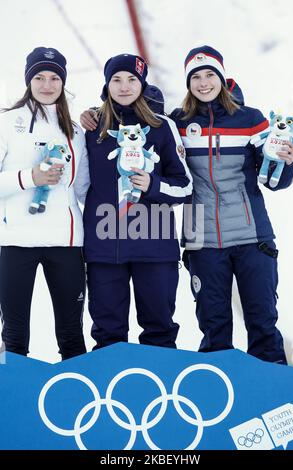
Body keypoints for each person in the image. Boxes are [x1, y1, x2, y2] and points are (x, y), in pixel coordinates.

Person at [170, 45, 293, 364]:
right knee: (214, 328)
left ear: (222, 77)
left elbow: (273, 181)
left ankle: (275, 401)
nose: (203, 83)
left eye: (209, 74)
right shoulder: (178, 123)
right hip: (201, 240)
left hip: (252, 238)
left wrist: (291, 160)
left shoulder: (251, 120)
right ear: (188, 83)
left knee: (263, 323)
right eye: (195, 77)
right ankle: (221, 403)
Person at [76, 53, 192, 349]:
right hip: (104, 246)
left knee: (160, 331)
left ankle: (162, 392)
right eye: (117, 80)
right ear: (107, 84)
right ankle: (109, 393)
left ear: (142, 85)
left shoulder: (162, 127)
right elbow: (79, 184)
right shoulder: (92, 128)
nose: (124, 87)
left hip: (153, 244)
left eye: (131, 80)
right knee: (107, 334)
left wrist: (153, 185)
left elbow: (185, 186)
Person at [0, 47, 88, 360]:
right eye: (39, 77)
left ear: (63, 82)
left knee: (71, 334)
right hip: (15, 242)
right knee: (14, 336)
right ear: (28, 81)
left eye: (54, 77)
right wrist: (30, 178)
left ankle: (78, 402)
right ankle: (10, 405)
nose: (47, 84)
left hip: (65, 243)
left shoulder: (76, 131)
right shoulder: (7, 123)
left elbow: (84, 188)